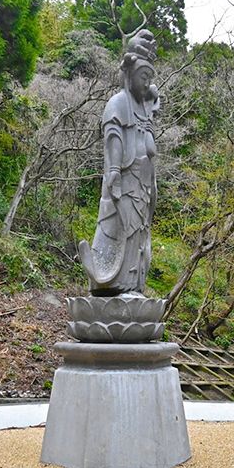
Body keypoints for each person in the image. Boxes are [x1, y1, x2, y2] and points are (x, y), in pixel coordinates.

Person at [78, 29, 160, 296]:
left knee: (139, 234)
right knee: (120, 228)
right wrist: (114, 169)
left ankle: (132, 286)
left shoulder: (144, 109)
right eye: (143, 76)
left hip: (143, 186)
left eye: (150, 78)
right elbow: (113, 135)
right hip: (124, 180)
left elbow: (149, 140)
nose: (147, 83)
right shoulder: (119, 102)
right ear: (130, 75)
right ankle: (109, 282)